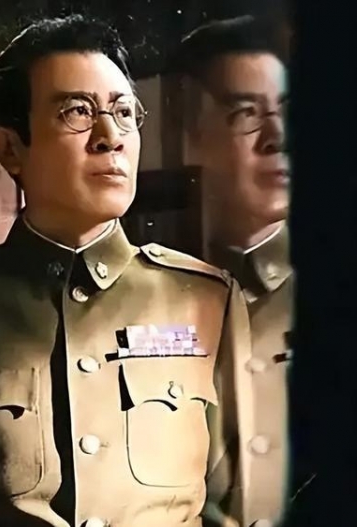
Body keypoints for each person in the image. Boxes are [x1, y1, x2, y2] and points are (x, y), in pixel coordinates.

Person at [0, 14, 252, 527]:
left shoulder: (206, 301)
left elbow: (237, 507)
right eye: (77, 111)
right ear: (10, 148)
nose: (110, 136)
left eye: (124, 112)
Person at [173, 15, 292, 527]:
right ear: (193, 137)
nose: (278, 137)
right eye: (246, 114)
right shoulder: (150, 295)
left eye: (288, 111)